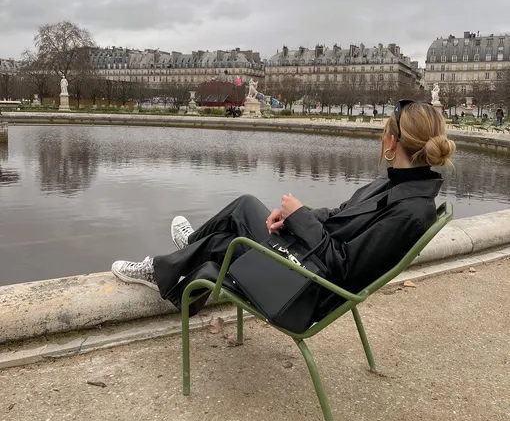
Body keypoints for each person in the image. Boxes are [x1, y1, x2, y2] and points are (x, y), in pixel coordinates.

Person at [112, 101, 455, 326]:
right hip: (307, 262)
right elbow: (339, 214)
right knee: (239, 218)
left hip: (308, 289)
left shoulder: (408, 212)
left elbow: (343, 269)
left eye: (383, 133)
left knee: (234, 229)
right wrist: (296, 215)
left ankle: (168, 266)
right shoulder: (400, 187)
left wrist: (300, 218)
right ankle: (182, 258)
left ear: (392, 142)